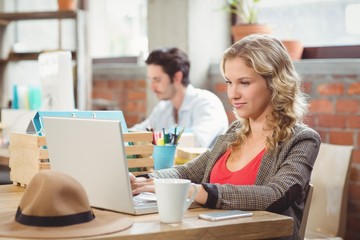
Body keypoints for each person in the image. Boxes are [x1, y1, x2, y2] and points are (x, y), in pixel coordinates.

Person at [130, 34, 321, 240]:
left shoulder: (302, 140)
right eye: (229, 82)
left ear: (275, 82)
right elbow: (188, 171)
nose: (233, 93)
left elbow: (275, 195)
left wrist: (197, 192)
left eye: (244, 83)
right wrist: (145, 180)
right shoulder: (235, 132)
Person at [130, 47, 229, 148]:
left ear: (177, 77)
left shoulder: (207, 103)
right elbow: (138, 132)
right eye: (151, 80)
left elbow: (197, 143)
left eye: (157, 80)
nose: (152, 88)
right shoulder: (163, 108)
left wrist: (155, 138)